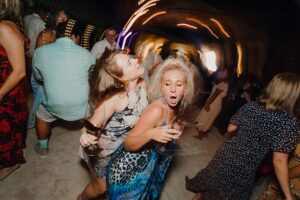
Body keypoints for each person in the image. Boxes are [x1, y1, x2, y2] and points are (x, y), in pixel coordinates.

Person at [186, 72, 300, 200]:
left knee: (207, 186)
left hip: (226, 154)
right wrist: (289, 197)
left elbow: (231, 128)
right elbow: (279, 160)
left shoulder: (252, 106)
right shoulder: (289, 122)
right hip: (244, 167)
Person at [107, 58, 194, 199]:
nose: (173, 89)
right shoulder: (157, 110)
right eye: (167, 84)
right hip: (130, 170)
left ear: (186, 87)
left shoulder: (178, 107)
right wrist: (150, 134)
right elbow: (128, 143)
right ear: (161, 86)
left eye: (179, 84)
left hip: (150, 168)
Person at [77, 50, 147, 200]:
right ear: (120, 78)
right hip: (103, 150)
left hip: (122, 146)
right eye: (129, 62)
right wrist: (86, 136)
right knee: (100, 188)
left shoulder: (142, 83)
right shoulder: (114, 100)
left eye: (130, 57)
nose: (135, 60)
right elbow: (92, 124)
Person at [32, 21, 95, 157]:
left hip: (54, 105)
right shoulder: (87, 55)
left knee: (41, 115)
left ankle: (43, 147)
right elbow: (91, 78)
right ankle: (91, 142)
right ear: (74, 37)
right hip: (81, 107)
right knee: (93, 105)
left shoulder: (40, 52)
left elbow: (38, 77)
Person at [0, 0, 29, 181]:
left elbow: (19, 71)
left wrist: (0, 93)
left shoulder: (4, 27)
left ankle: (10, 165)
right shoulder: (10, 25)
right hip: (10, 89)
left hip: (7, 91)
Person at [193, 67, 229, 139]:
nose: (221, 72)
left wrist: (208, 104)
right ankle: (204, 133)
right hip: (212, 102)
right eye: (221, 71)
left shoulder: (224, 83)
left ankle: (200, 135)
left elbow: (216, 94)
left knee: (206, 118)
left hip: (214, 104)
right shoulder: (221, 82)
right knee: (207, 118)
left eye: (224, 72)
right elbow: (213, 92)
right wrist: (204, 92)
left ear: (228, 75)